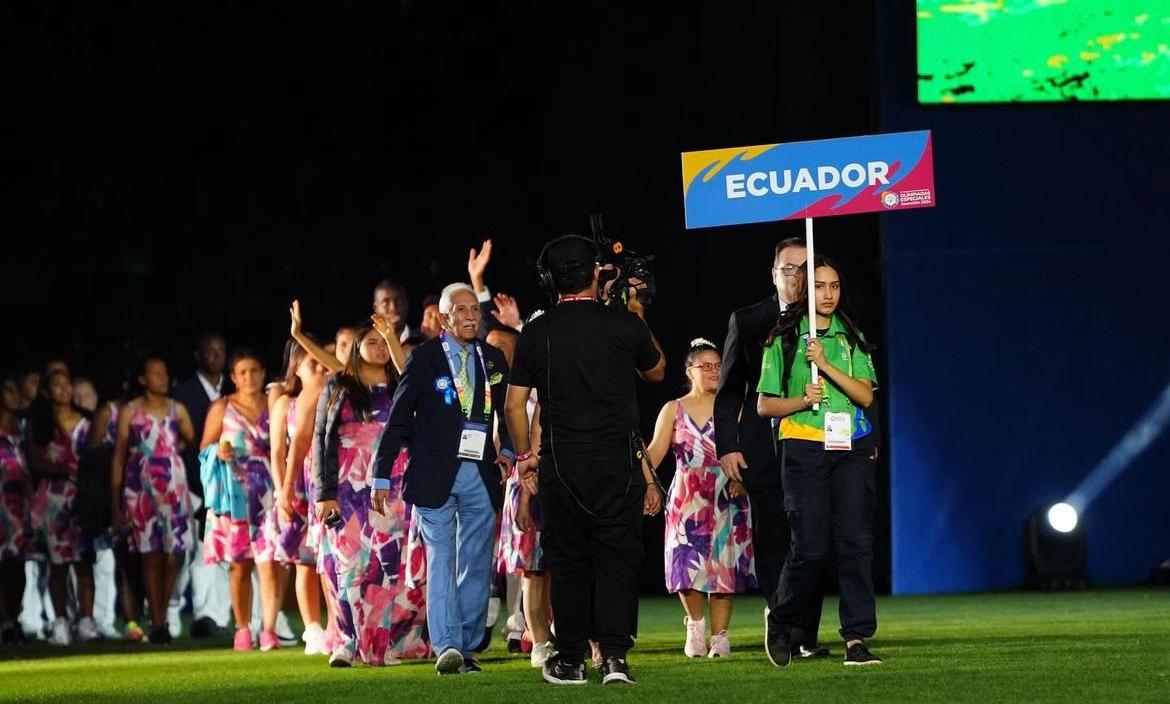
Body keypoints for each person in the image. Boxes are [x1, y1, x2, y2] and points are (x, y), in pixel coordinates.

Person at [505, 235, 666, 686]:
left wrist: (524, 457)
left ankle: (572, 659)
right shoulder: (624, 324)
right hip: (617, 463)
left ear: (550, 280)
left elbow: (515, 406)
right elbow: (656, 371)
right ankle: (614, 658)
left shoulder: (536, 332)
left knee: (570, 564)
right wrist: (634, 311)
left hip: (562, 466)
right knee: (617, 561)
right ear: (597, 273)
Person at [372, 282, 513, 675]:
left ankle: (466, 645)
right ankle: (448, 645)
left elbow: (510, 408)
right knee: (441, 559)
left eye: (474, 309)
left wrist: (510, 450)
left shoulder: (493, 357)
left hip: (480, 474)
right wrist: (380, 475)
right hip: (434, 473)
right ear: (444, 318)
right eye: (462, 310)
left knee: (476, 563)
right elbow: (399, 419)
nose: (471, 315)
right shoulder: (424, 358)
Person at [757, 255, 881, 668]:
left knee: (855, 545)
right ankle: (782, 618)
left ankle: (856, 637)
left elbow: (865, 395)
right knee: (810, 547)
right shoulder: (785, 337)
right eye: (820, 286)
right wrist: (801, 400)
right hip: (804, 447)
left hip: (851, 446)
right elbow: (764, 406)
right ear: (805, 290)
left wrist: (826, 366)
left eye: (835, 286)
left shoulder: (851, 337)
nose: (828, 294)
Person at [714, 236, 828, 659]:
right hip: (762, 446)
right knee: (776, 536)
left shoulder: (825, 322)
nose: (796, 276)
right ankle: (779, 617)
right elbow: (728, 391)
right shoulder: (748, 320)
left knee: (813, 536)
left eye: (804, 268)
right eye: (788, 268)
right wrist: (727, 446)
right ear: (773, 273)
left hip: (816, 442)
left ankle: (803, 632)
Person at [314, 321, 428, 668]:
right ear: (356, 345)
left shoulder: (400, 385)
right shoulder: (339, 385)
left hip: (394, 486)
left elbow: (420, 396)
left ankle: (391, 642)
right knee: (348, 565)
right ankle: (348, 641)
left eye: (386, 342)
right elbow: (322, 437)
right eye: (373, 341)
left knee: (392, 564)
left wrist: (396, 343)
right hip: (348, 487)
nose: (380, 347)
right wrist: (324, 492)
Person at [646, 339, 755, 659]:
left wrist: (743, 481)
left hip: (727, 494)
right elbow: (653, 453)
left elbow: (751, 450)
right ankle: (695, 627)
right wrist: (639, 469)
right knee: (685, 567)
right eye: (705, 366)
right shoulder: (673, 409)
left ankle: (720, 638)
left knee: (722, 569)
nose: (713, 371)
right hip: (687, 497)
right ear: (689, 370)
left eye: (718, 366)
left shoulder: (733, 406)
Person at [199, 349, 282, 651]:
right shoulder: (222, 406)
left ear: (263, 373)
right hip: (233, 493)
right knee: (240, 565)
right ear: (233, 377)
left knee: (269, 561)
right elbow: (204, 448)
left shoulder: (274, 404)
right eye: (242, 372)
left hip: (268, 492)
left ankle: (269, 629)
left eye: (254, 371)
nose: (249, 377)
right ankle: (243, 628)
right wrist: (217, 453)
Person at [110, 357, 196, 645]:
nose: (162, 378)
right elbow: (120, 454)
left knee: (174, 554)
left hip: (173, 489)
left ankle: (161, 613)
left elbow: (189, 439)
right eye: (155, 374)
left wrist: (167, 456)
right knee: (150, 555)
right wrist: (117, 500)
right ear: (143, 379)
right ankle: (157, 622)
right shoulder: (130, 411)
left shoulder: (177, 409)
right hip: (140, 488)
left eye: (164, 373)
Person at [26, 369, 94, 645]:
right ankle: (61, 622)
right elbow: (34, 459)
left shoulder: (86, 422)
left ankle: (87, 621)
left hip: (83, 498)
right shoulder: (41, 425)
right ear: (46, 391)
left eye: (68, 384)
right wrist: (62, 470)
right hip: (54, 500)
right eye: (57, 385)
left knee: (84, 561)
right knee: (59, 564)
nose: (64, 389)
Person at [173, 333, 232, 638]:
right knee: (199, 552)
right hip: (195, 485)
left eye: (220, 351)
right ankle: (205, 614)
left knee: (226, 552)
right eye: (208, 351)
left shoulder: (233, 388)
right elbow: (184, 444)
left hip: (233, 485)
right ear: (198, 354)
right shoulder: (184, 393)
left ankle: (219, 616)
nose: (214, 356)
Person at [272, 340, 328, 655]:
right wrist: (284, 491)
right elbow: (278, 451)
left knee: (329, 561)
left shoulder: (332, 397)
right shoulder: (286, 403)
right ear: (296, 368)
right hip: (300, 490)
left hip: (325, 485)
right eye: (312, 364)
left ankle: (335, 625)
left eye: (322, 363)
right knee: (305, 562)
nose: (319, 369)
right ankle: (312, 628)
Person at [0, 376, 31, 643]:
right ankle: (4, 622)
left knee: (16, 566)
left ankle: (13, 616)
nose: (16, 396)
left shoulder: (23, 433)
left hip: (19, 509)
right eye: (10, 391)